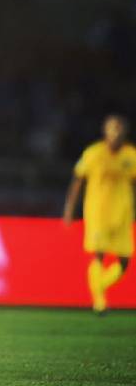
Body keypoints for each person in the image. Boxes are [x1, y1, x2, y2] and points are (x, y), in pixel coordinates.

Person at [64, 115, 136, 314]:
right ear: (105, 131)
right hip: (98, 213)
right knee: (98, 254)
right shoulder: (93, 153)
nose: (115, 133)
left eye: (118, 129)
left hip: (122, 214)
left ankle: (99, 285)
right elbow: (78, 180)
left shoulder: (131, 156)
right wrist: (69, 208)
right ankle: (99, 302)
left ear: (124, 132)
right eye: (112, 128)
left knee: (125, 261)